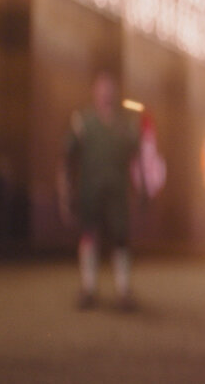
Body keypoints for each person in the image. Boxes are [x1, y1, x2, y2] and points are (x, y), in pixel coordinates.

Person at [59, 71, 140, 311]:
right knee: (89, 236)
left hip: (117, 193)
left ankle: (123, 290)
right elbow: (67, 158)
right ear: (95, 93)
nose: (106, 95)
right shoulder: (83, 123)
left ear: (115, 93)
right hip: (90, 191)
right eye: (101, 90)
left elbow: (136, 160)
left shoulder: (126, 125)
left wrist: (142, 189)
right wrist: (65, 191)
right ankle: (89, 288)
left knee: (120, 239)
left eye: (109, 90)